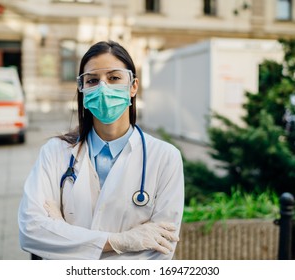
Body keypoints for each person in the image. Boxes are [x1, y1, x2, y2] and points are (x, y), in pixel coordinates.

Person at [18, 40, 184, 260]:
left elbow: (159, 252)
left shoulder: (165, 157)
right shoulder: (55, 152)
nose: (103, 87)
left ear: (133, 86)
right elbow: (31, 232)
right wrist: (120, 242)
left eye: (114, 78)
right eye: (93, 80)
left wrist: (61, 233)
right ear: (83, 90)